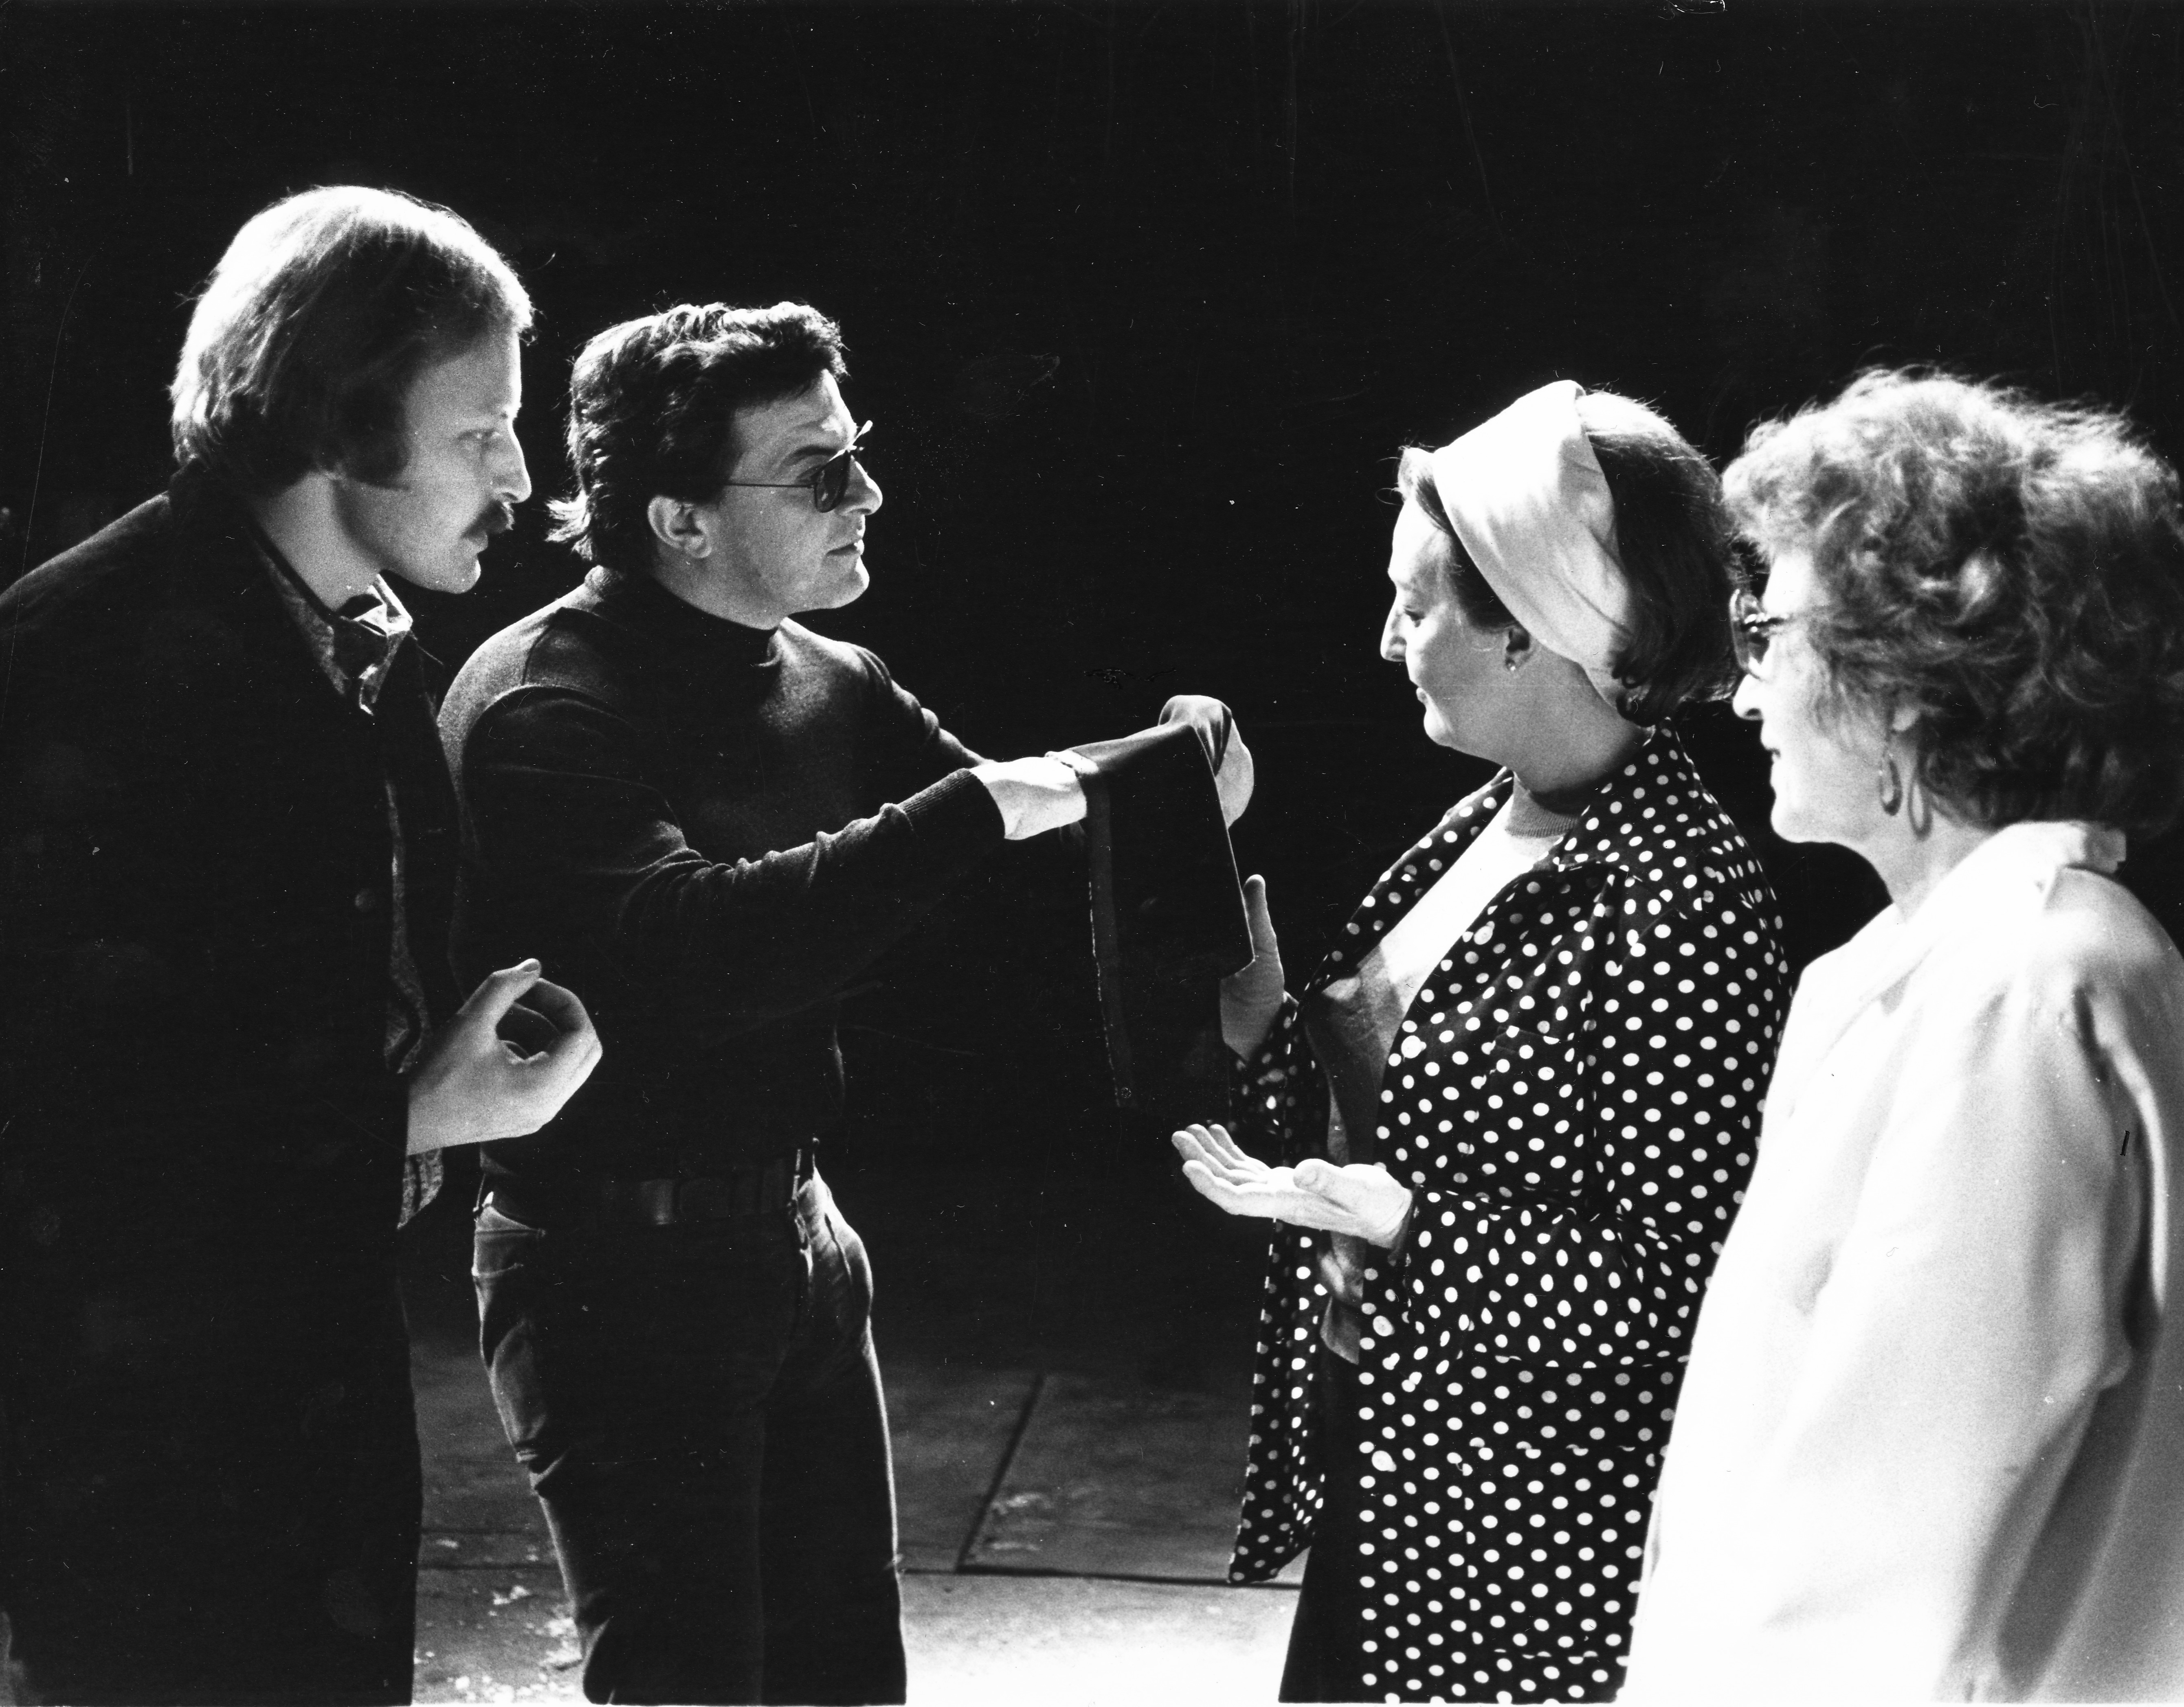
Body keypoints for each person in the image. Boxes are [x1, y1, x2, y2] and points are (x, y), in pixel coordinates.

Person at [437, 300, 1249, 1705]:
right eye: (819, 472)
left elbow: (998, 854)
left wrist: (1166, 786)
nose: (867, 494)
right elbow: (693, 949)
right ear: (679, 520)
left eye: (857, 453)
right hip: (615, 1277)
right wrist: (992, 806)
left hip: (798, 1241)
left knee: (848, 1682)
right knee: (690, 1688)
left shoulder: (833, 677)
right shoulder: (541, 705)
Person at [0, 187, 602, 1705]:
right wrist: (410, 1115)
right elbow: (61, 1124)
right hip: (134, 1425)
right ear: (340, 421)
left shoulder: (356, 647)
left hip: (303, 1374)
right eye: (484, 432)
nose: (521, 480)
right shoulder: (84, 659)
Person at [1619, 371, 2184, 1702]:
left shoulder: (2024, 984)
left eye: (1771, 633)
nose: (1746, 695)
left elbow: (1883, 1565)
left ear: (1903, 673)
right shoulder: (1968, 959)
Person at [1174, 380, 1789, 1703]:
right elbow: (1403, 1110)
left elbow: (1682, 1287)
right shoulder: (1495, 819)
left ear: (1526, 629)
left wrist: (1409, 1226)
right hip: (1409, 1487)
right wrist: (1266, 1024)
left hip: (1526, 1560)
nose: (1389, 638)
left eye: (1418, 604)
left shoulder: (1678, 903)